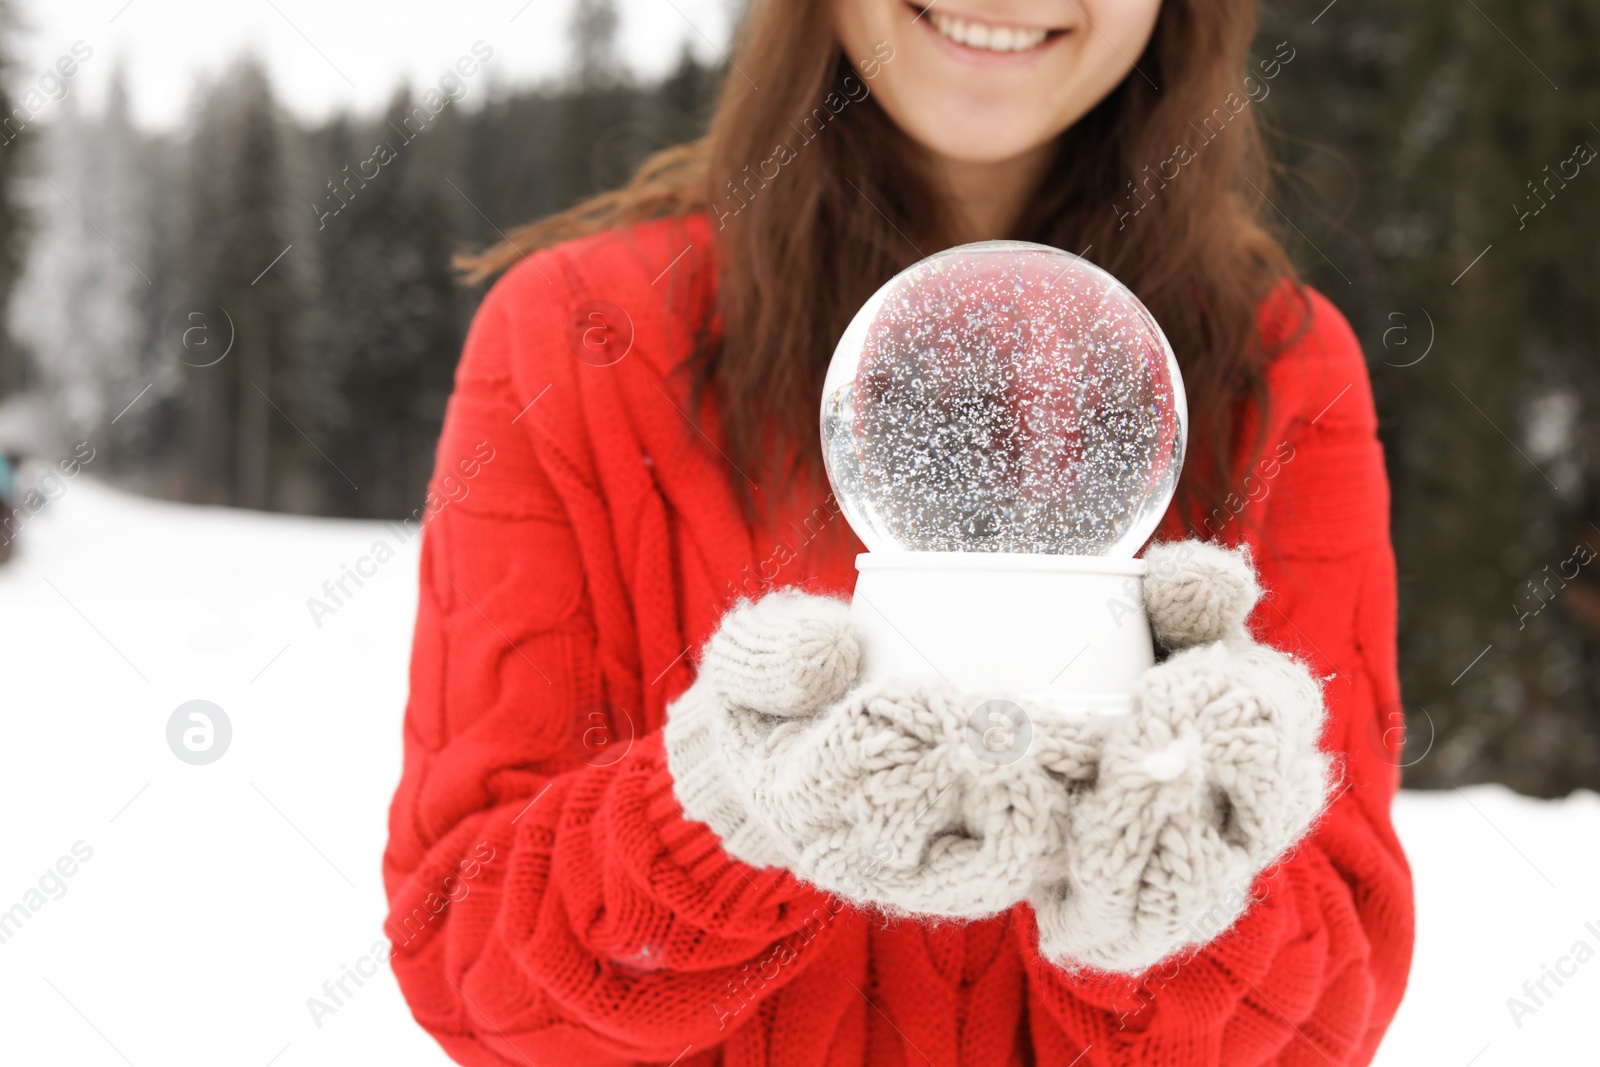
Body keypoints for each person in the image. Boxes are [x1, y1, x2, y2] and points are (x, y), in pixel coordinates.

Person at [383, 1, 1414, 1064]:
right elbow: (465, 965)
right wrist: (722, 815)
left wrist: (1177, 893)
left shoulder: (1281, 366)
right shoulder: (576, 335)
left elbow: (1335, 1006)